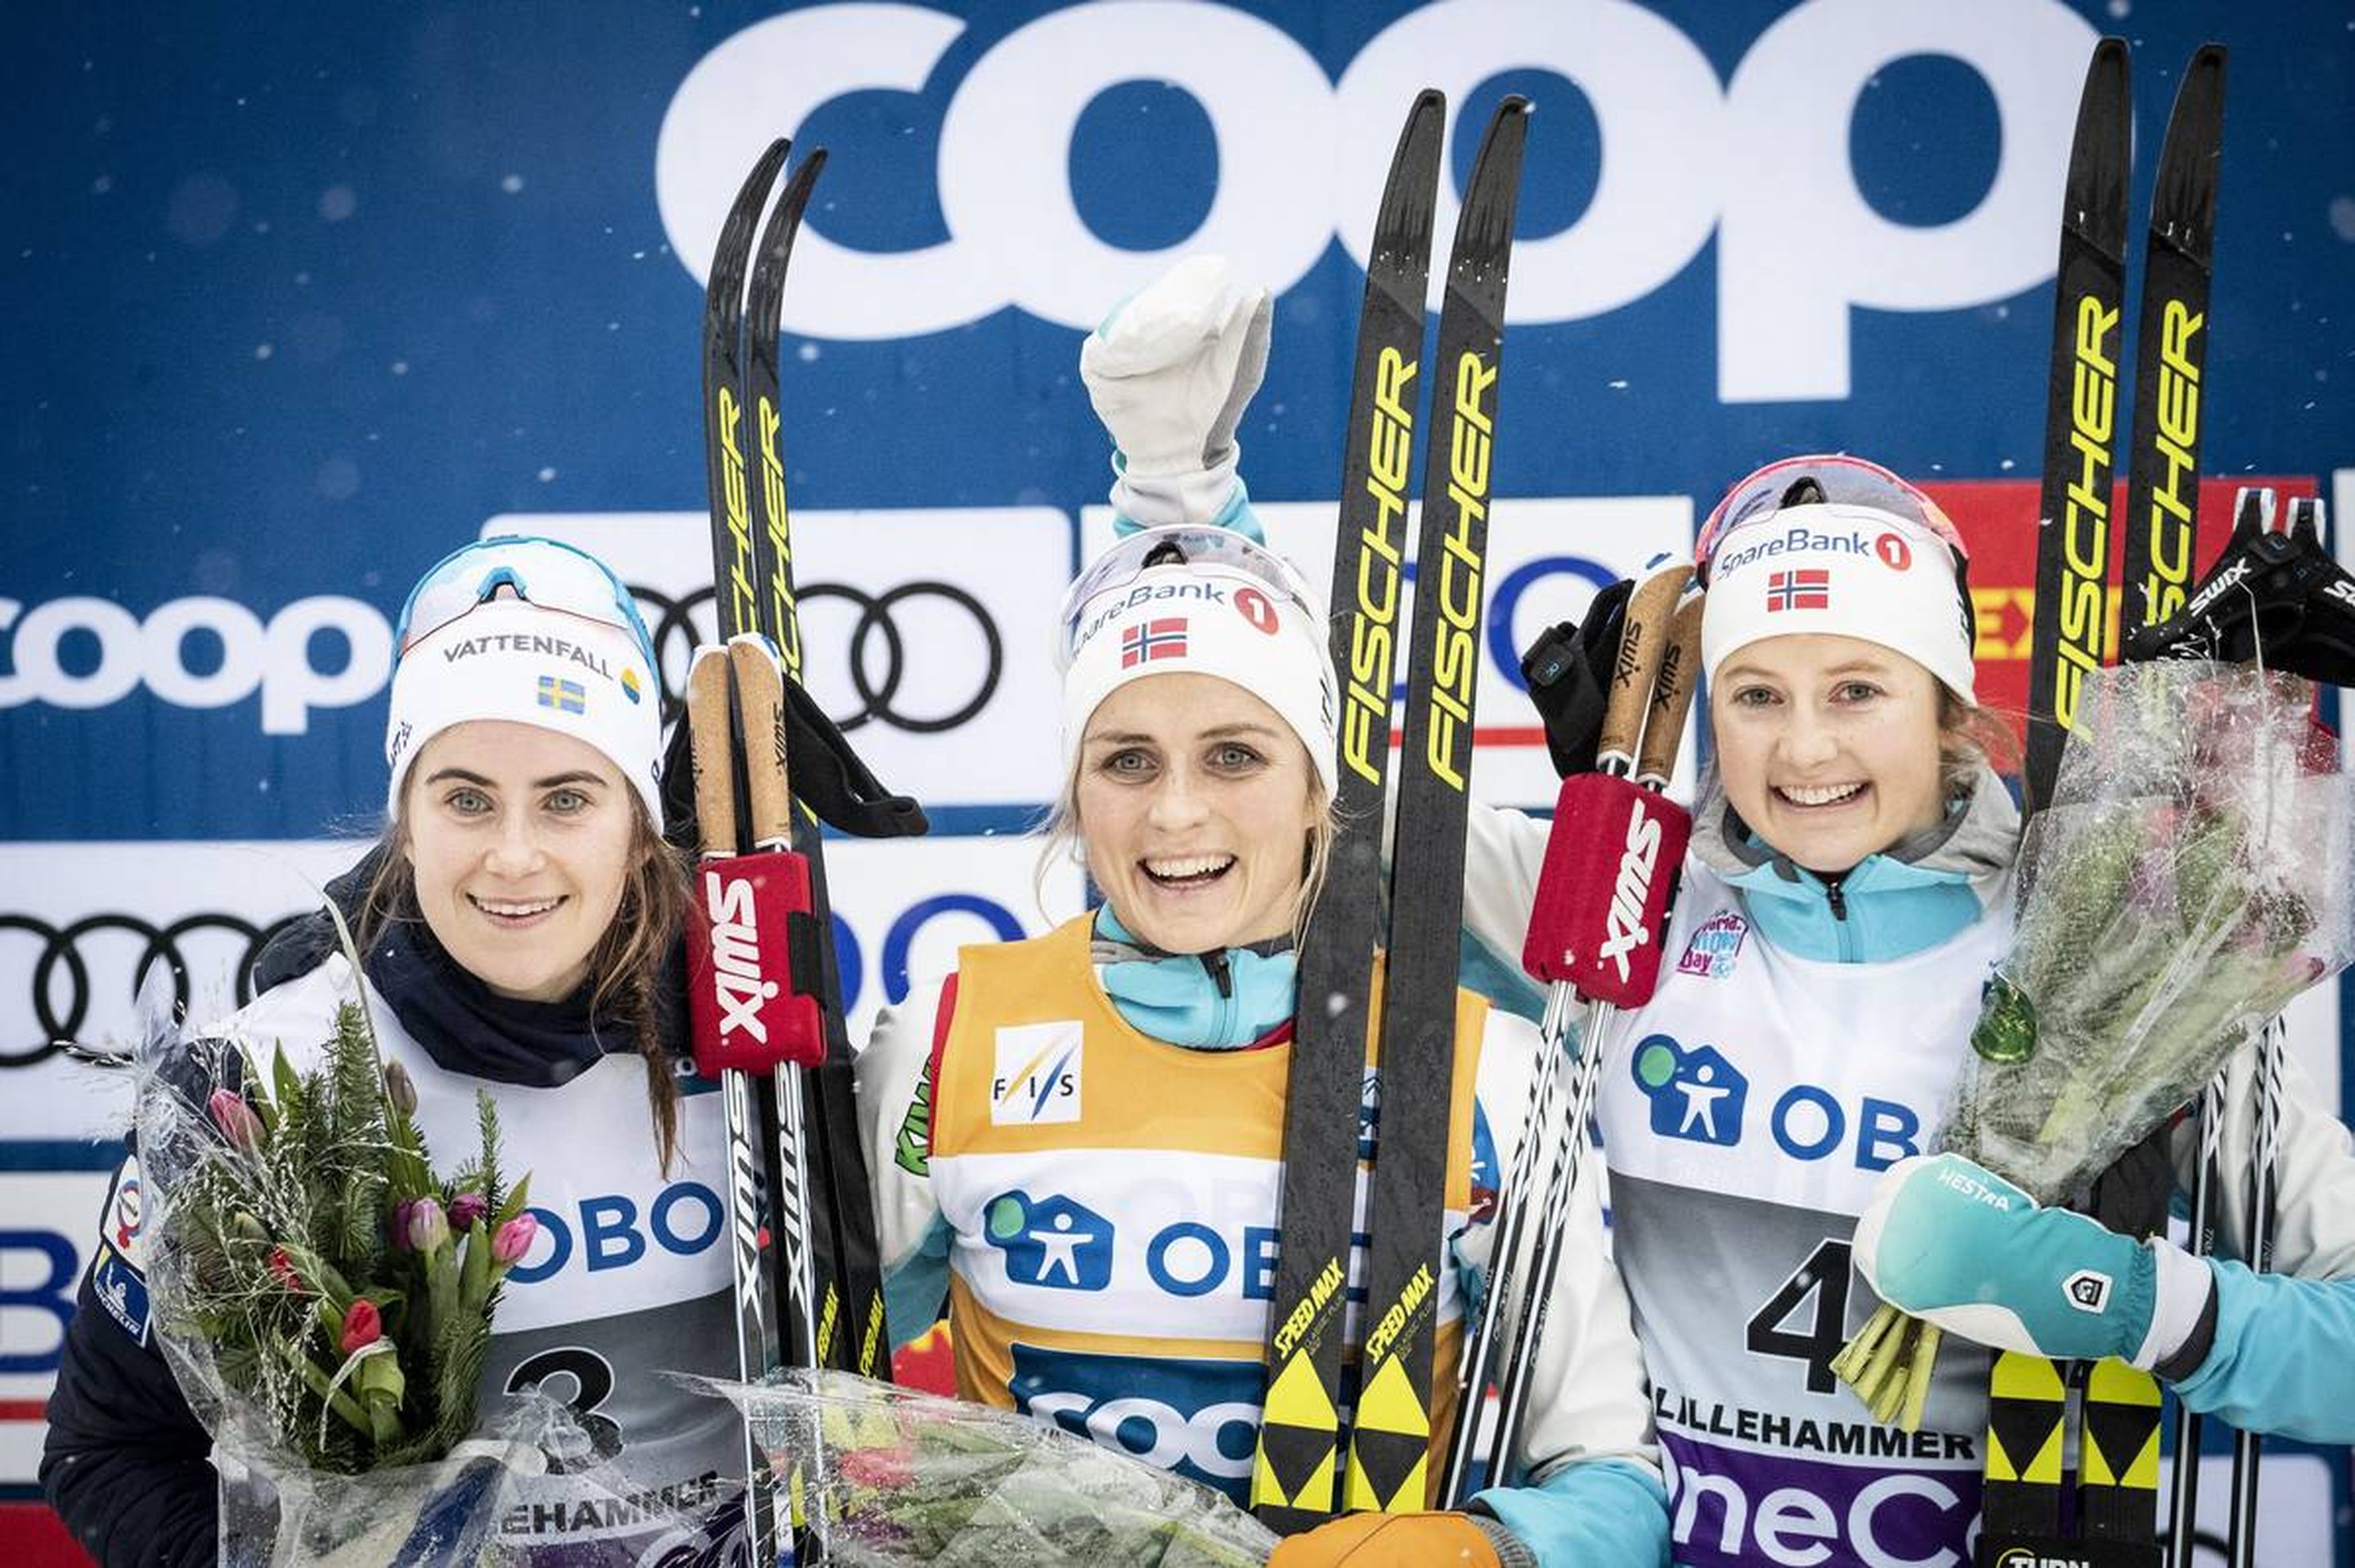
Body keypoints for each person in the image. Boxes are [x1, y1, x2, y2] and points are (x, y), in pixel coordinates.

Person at [853, 262, 1671, 1568]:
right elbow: (824, 1383)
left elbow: (1613, 1482)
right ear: (1071, 790)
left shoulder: (1477, 1068)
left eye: (1235, 755)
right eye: (1126, 762)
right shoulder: (948, 1039)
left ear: (1317, 793)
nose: (1176, 814)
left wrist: (1490, 1553)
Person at [1458, 455, 2355, 1566]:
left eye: (1857, 689)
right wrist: (1201, 521)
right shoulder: (1625, 906)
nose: (1804, 747)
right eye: (1756, 695)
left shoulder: (2120, 958)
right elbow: (1279, 834)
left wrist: (2129, 1301)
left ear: (1950, 710)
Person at [42, 536, 751, 1566]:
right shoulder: (258, 1082)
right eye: (465, 798)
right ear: (406, 820)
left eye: (567, 797)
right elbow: (108, 1452)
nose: (514, 855)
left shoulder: (758, 1035)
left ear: (638, 821)